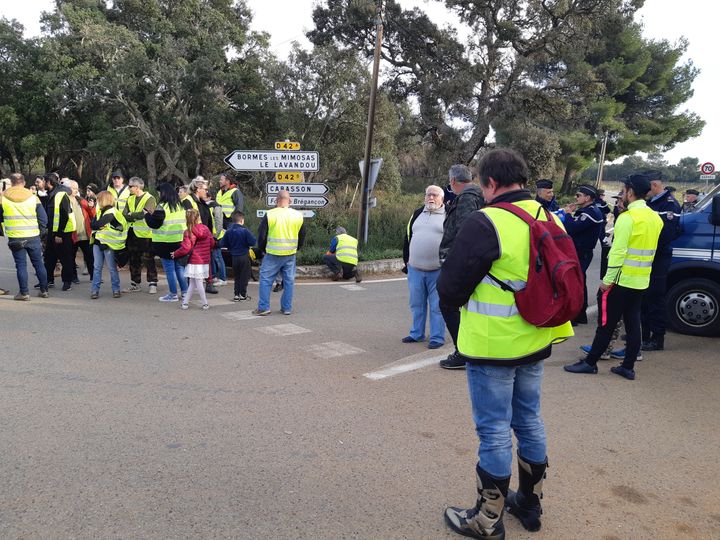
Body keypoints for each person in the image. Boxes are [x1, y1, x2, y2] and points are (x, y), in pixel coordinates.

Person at [439, 149, 572, 538]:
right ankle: (529, 505)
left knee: (494, 430)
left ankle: (487, 520)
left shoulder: (488, 220)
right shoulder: (549, 215)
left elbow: (449, 288)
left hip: (493, 345)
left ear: (491, 183)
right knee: (529, 420)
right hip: (537, 337)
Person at [565, 173, 663, 380]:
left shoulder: (628, 218)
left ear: (630, 192)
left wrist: (607, 280)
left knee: (606, 325)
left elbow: (618, 253)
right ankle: (627, 367)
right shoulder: (654, 217)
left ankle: (590, 363)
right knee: (633, 322)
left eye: (624, 190)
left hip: (619, 280)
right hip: (640, 280)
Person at [438, 164, 485, 369]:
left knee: (448, 303)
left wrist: (456, 260)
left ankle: (463, 352)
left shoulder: (467, 197)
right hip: (467, 261)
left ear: (453, 182)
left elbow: (465, 231)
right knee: (461, 307)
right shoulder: (474, 195)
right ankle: (468, 349)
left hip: (461, 262)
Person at [401, 184, 446, 350]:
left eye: (435, 195)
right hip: (415, 269)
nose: (431, 198)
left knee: (437, 306)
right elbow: (407, 237)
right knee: (416, 304)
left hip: (438, 270)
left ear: (442, 198)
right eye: (428, 195)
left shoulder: (448, 215)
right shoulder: (417, 213)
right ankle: (416, 333)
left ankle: (437, 337)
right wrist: (406, 261)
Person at [642, 171, 681, 351]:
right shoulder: (650, 202)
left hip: (659, 257)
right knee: (644, 296)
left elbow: (667, 234)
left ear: (654, 186)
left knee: (655, 297)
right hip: (647, 256)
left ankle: (657, 338)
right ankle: (644, 332)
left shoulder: (669, 204)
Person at [252, 190, 305, 316]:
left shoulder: (270, 214)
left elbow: (261, 235)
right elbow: (302, 235)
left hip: (273, 254)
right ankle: (286, 308)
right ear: (290, 200)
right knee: (289, 281)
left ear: (276, 200)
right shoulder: (298, 215)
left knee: (265, 279)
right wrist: (297, 248)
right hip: (290, 254)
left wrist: (262, 250)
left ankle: (264, 307)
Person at [0, 173, 49, 300]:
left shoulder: (3, 198)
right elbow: (43, 218)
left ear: (11, 182)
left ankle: (24, 293)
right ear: (24, 182)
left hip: (15, 237)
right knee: (38, 263)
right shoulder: (33, 197)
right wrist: (41, 231)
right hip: (33, 235)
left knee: (21, 265)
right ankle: (44, 290)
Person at [563, 184, 605, 325]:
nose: (576, 198)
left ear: (587, 198)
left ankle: (576, 315)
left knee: (577, 283)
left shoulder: (590, 212)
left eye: (578, 195)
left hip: (582, 252)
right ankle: (580, 314)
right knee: (580, 282)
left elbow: (572, 228)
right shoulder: (587, 210)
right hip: (581, 251)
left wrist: (568, 214)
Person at [145, 182, 188, 302]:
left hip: (165, 242)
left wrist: (147, 215)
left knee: (169, 269)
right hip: (179, 241)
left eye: (159, 192)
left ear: (163, 193)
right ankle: (185, 292)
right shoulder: (180, 205)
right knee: (179, 268)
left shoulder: (162, 206)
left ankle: (173, 294)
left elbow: (155, 224)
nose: (158, 194)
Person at [183, 177, 220, 294]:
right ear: (198, 189)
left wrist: (211, 235)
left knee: (206, 260)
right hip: (196, 236)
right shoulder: (188, 200)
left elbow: (208, 219)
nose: (206, 191)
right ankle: (191, 285)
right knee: (193, 260)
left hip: (204, 235)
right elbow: (189, 219)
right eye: (205, 189)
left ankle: (208, 283)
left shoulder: (202, 202)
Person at [122, 176, 158, 294]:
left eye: (130, 186)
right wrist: (134, 214)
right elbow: (124, 214)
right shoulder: (130, 199)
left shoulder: (150, 198)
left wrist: (132, 215)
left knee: (148, 259)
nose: (129, 188)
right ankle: (135, 283)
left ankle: (152, 283)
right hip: (132, 233)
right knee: (134, 259)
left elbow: (145, 214)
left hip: (146, 234)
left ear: (137, 187)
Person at [172, 208, 213, 310]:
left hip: (194, 260)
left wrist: (175, 253)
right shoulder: (206, 229)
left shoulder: (188, 232)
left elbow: (186, 248)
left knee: (197, 282)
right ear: (198, 217)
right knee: (193, 283)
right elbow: (212, 243)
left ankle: (205, 303)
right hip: (204, 259)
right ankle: (185, 303)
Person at [89, 190, 127, 299]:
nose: (97, 201)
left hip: (109, 244)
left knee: (111, 268)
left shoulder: (111, 212)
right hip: (98, 242)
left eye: (99, 199)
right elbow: (93, 225)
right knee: (97, 267)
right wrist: (96, 225)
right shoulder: (101, 211)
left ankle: (116, 289)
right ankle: (94, 290)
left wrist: (97, 225)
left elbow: (98, 224)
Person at [43, 172, 76, 291]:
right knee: (49, 257)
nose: (42, 183)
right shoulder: (50, 194)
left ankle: (67, 282)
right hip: (52, 231)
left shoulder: (61, 195)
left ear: (49, 182)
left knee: (65, 258)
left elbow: (64, 215)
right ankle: (48, 280)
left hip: (62, 233)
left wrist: (59, 234)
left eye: (44, 181)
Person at [62, 179, 94, 283]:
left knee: (90, 256)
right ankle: (74, 277)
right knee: (71, 257)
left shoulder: (81, 200)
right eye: (73, 188)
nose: (76, 190)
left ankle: (94, 276)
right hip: (72, 234)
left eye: (77, 188)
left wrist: (91, 207)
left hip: (85, 234)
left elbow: (92, 214)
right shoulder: (64, 200)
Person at [220, 211, 256, 301]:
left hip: (234, 256)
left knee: (237, 276)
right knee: (244, 276)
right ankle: (243, 294)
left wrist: (230, 247)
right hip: (244, 255)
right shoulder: (245, 231)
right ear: (242, 220)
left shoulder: (229, 232)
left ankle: (236, 294)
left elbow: (222, 243)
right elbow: (253, 242)